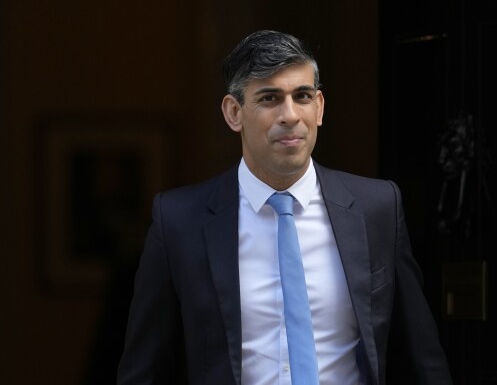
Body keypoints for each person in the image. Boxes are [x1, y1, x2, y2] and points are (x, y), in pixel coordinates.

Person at [117, 30, 452, 385]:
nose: (290, 115)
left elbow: (422, 359)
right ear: (234, 112)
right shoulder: (179, 221)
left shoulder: (377, 208)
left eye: (302, 96)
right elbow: (144, 370)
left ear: (319, 107)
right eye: (270, 98)